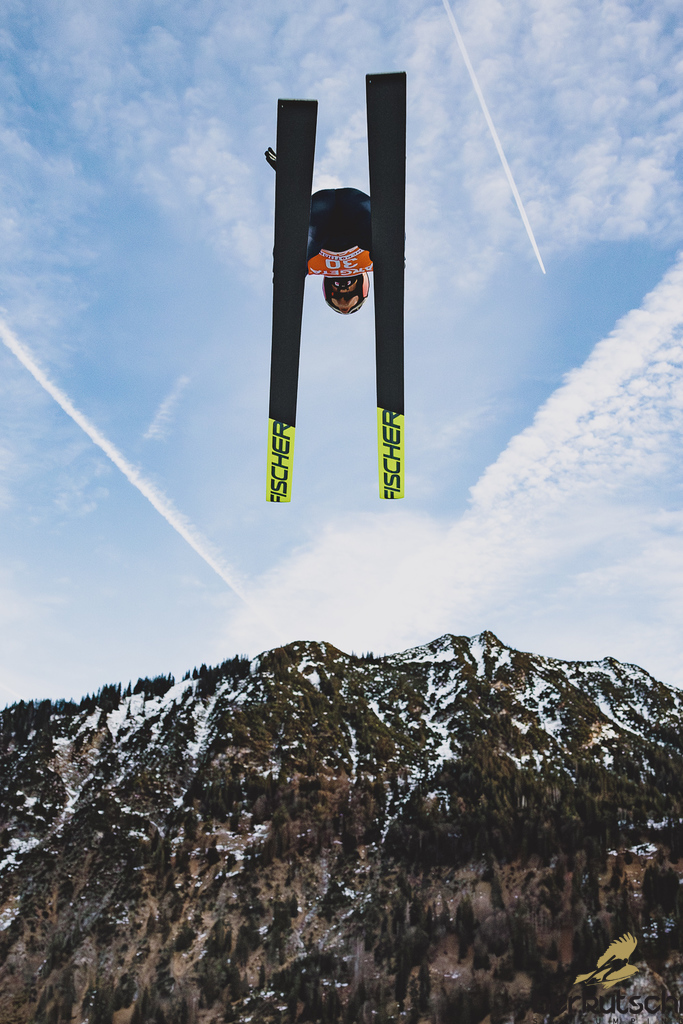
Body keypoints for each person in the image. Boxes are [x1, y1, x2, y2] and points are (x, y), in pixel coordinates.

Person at [266, 148, 372, 314]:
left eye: (337, 295)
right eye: (348, 295)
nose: (343, 291)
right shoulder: (372, 264)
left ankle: (292, 178)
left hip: (320, 218)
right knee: (382, 244)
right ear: (361, 287)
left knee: (292, 263)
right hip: (356, 213)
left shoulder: (313, 268)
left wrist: (288, 182)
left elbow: (289, 250)